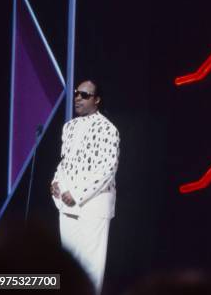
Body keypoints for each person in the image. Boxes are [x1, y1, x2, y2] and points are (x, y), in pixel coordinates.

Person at [50, 79, 120, 294]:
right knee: (69, 268)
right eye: (76, 93)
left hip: (93, 207)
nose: (78, 98)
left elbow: (107, 169)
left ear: (97, 100)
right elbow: (66, 161)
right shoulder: (69, 127)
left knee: (90, 270)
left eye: (85, 95)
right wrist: (56, 182)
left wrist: (77, 194)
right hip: (67, 206)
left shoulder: (108, 129)